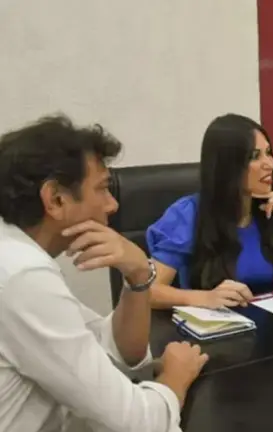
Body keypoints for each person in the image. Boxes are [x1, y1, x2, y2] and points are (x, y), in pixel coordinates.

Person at [0, 115, 209, 431]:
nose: (112, 205)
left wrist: (139, 275)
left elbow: (116, 352)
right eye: (102, 188)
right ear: (55, 199)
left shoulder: (15, 256)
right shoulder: (22, 276)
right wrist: (175, 379)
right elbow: (134, 423)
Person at [146, 114, 273, 309]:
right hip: (217, 323)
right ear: (228, 166)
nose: (269, 164)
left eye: (268, 153)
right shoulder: (188, 214)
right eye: (254, 156)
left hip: (267, 318)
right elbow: (147, 292)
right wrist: (205, 298)